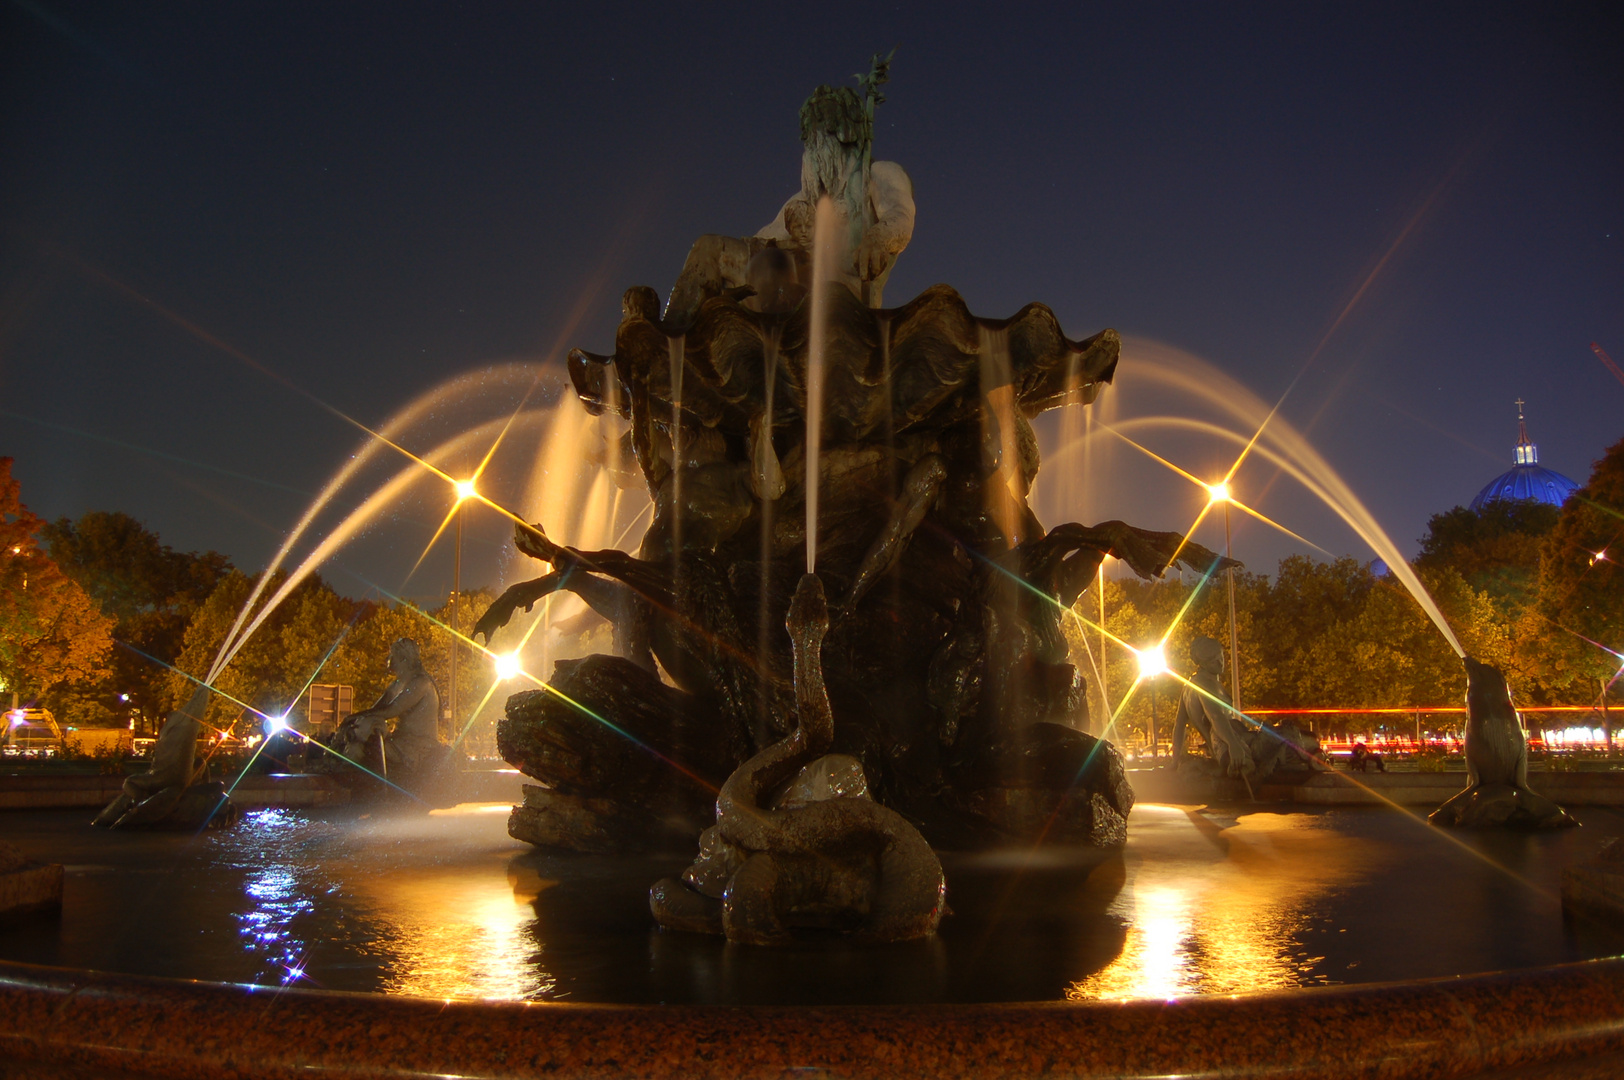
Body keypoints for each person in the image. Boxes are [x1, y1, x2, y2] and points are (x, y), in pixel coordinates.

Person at [664, 80, 916, 325]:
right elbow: (762, 239)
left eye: (820, 140)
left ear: (844, 136)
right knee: (711, 247)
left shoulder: (879, 173)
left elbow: (901, 215)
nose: (812, 152)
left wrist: (878, 238)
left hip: (844, 292)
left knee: (778, 271)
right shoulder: (804, 200)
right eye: (809, 143)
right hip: (795, 280)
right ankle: (674, 332)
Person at [334, 638, 444, 776]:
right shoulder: (398, 684)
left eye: (393, 655)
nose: (389, 658)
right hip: (400, 739)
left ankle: (350, 779)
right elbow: (376, 709)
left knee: (364, 749)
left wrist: (352, 717)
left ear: (404, 659)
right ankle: (343, 773)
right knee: (357, 739)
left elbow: (391, 710)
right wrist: (353, 720)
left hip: (418, 745)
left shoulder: (420, 683)